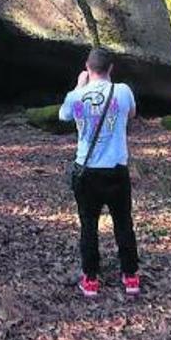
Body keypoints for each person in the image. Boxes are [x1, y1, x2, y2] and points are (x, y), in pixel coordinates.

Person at [58, 48, 141, 297]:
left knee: (89, 226)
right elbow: (132, 113)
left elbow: (63, 116)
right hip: (116, 169)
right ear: (111, 68)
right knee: (123, 223)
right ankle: (130, 276)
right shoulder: (123, 91)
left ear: (87, 67)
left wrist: (78, 86)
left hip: (87, 172)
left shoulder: (76, 96)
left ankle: (91, 279)